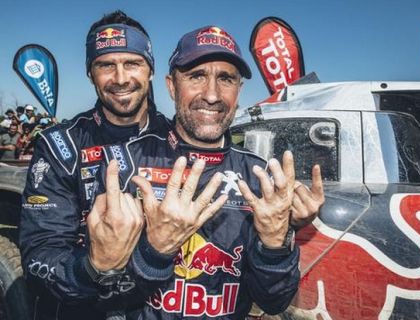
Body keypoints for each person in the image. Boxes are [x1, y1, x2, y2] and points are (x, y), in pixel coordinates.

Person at [86, 25, 304, 319]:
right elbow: (95, 297)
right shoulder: (123, 163)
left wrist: (275, 246)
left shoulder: (259, 176)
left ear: (239, 90)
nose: (212, 95)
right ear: (171, 86)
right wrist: (155, 251)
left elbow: (274, 302)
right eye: (196, 76)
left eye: (225, 78)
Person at [19, 10, 169, 320]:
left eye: (132, 63)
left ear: (150, 70)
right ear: (90, 73)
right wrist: (94, 266)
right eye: (105, 65)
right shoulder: (59, 144)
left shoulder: (177, 139)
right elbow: (38, 256)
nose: (121, 78)